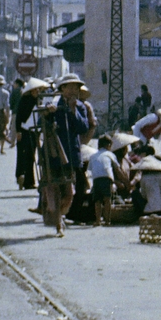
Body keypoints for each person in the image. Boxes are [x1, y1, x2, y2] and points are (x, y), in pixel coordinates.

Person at [39, 83, 91, 237]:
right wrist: (48, 114)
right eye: (70, 88)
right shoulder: (54, 103)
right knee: (54, 187)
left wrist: (74, 110)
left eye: (75, 88)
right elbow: (42, 123)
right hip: (53, 152)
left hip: (70, 154)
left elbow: (83, 128)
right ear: (62, 90)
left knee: (69, 194)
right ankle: (57, 223)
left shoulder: (80, 106)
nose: (73, 91)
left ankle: (57, 216)